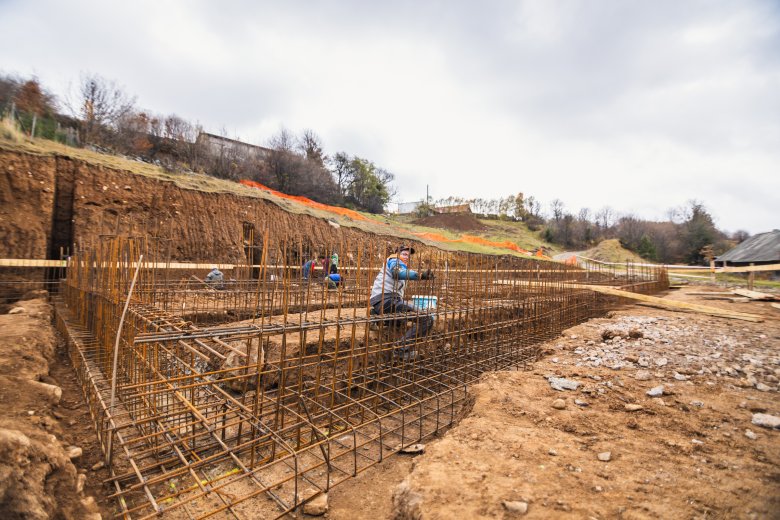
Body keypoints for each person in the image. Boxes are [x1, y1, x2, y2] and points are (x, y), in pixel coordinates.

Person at [369, 245, 434, 361]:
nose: (406, 257)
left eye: (408, 256)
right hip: (387, 300)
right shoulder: (394, 260)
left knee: (400, 322)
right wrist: (419, 275)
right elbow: (398, 273)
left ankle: (376, 314)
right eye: (404, 254)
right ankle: (400, 350)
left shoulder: (397, 263)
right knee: (427, 318)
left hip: (382, 301)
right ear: (397, 254)